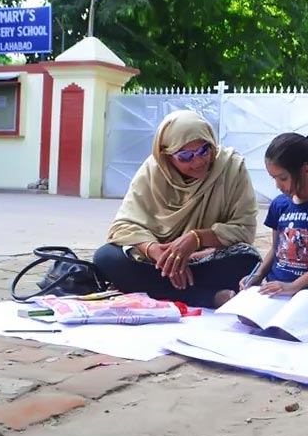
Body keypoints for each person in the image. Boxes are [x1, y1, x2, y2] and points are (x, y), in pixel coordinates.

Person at [93, 110, 261, 309]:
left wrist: (196, 239)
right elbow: (124, 226)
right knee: (106, 257)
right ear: (167, 156)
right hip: (157, 264)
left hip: (206, 260)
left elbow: (244, 229)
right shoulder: (152, 172)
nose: (198, 162)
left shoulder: (231, 167)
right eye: (186, 156)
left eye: (204, 150)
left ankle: (153, 289)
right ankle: (207, 298)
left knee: (247, 260)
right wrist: (157, 252)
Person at [239, 133, 308, 300]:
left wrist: (293, 286)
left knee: (294, 325)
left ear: (307, 170)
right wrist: (258, 275)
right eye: (274, 178)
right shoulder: (279, 205)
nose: (277, 185)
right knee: (247, 319)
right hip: (275, 288)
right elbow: (276, 249)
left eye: (283, 178)